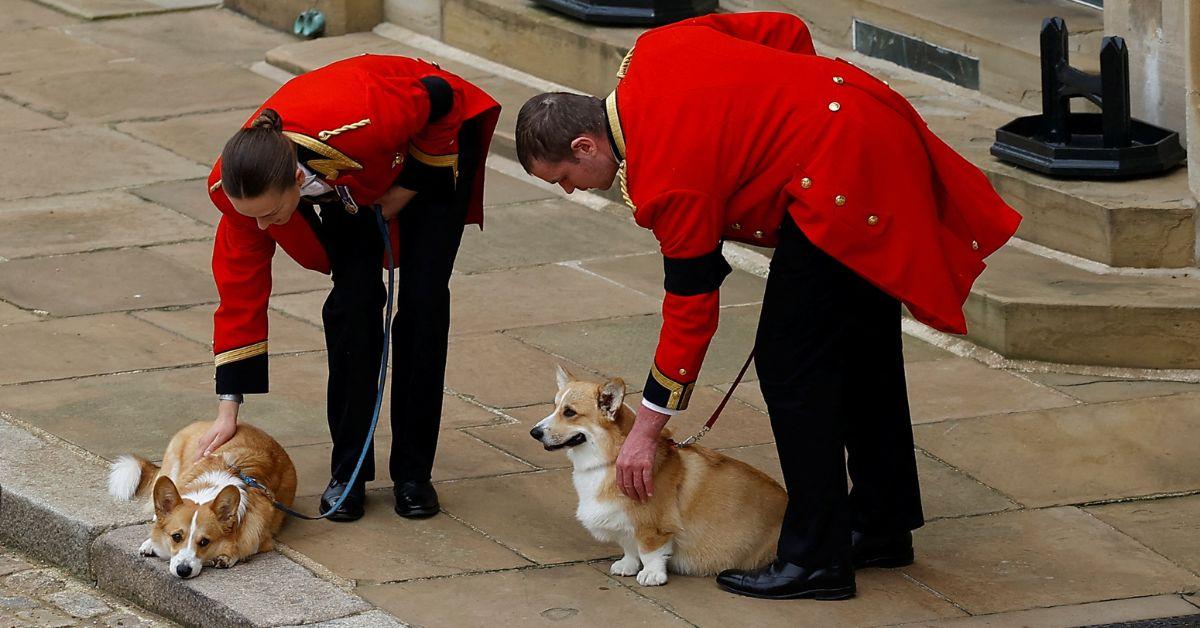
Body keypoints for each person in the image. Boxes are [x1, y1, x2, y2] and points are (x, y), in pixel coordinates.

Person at [514, 12, 1019, 599]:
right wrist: (793, 109)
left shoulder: (665, 180)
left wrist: (645, 431)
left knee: (791, 365)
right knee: (861, 348)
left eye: (567, 177)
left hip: (841, 178)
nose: (573, 190)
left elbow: (692, 310)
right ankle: (881, 523)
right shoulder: (654, 49)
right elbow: (784, 30)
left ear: (585, 143)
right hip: (863, 118)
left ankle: (816, 558)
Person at [201, 54, 500, 522]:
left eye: (268, 213)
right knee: (352, 306)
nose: (259, 225)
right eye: (251, 214)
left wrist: (408, 188)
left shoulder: (366, 116)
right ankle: (350, 472)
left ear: (296, 180)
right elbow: (239, 292)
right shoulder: (240, 188)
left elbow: (444, 99)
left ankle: (414, 474)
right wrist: (228, 408)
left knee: (423, 304)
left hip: (428, 149)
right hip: (350, 182)